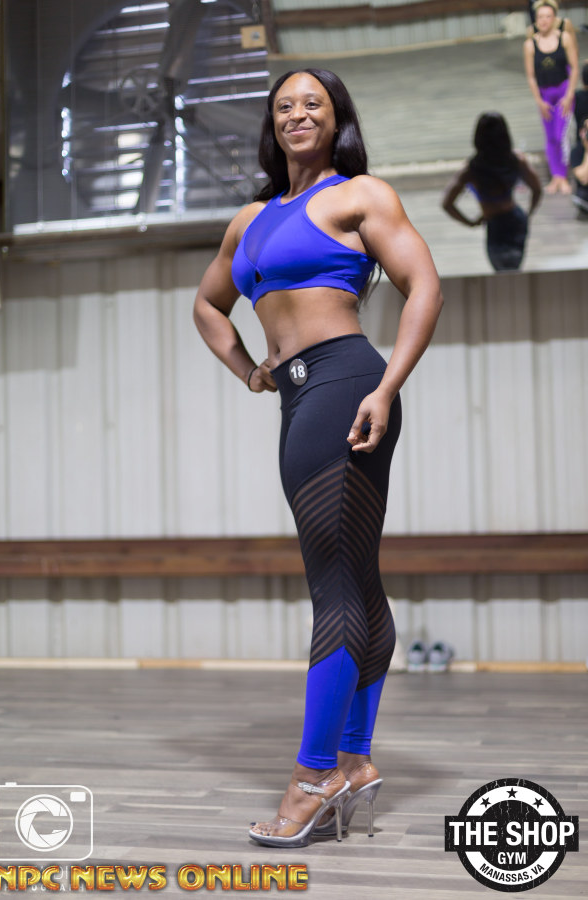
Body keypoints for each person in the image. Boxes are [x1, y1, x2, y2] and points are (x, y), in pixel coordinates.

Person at [193, 68, 443, 849]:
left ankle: (312, 778)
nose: (298, 113)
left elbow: (424, 286)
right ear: (272, 125)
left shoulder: (359, 196)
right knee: (356, 579)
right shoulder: (250, 219)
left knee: (333, 585)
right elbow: (207, 304)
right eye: (285, 106)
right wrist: (250, 371)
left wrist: (388, 387)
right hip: (298, 396)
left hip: (348, 383)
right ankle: (355, 762)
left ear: (337, 122)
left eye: (314, 104)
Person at [442, 112, 542, 271]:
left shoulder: (471, 169)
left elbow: (447, 203)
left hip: (494, 223)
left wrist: (471, 222)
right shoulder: (516, 160)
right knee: (514, 272)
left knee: (502, 274)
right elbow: (537, 189)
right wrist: (528, 214)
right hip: (516, 219)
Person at [524, 0, 579, 194]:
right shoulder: (530, 44)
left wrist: (569, 94)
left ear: (554, 18)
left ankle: (563, 176)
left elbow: (574, 68)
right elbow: (531, 76)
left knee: (560, 134)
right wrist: (539, 101)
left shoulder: (564, 37)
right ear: (535, 19)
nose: (544, 20)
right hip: (545, 95)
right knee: (550, 137)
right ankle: (556, 176)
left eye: (548, 16)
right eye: (540, 17)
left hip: (563, 92)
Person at [571, 116, 588, 215]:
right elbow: (584, 179)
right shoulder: (577, 151)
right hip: (585, 195)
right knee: (581, 195)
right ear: (582, 132)